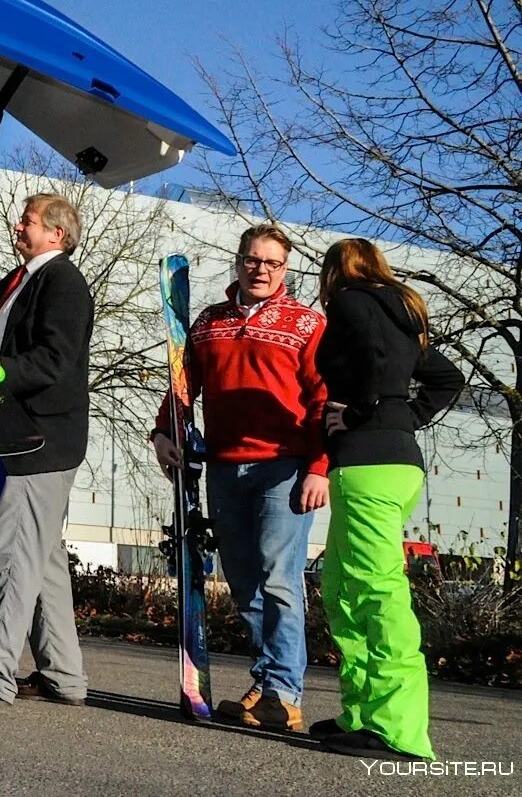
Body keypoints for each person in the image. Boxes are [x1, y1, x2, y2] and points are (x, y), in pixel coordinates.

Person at [150, 224, 329, 731]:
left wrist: (319, 468)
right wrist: (165, 432)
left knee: (279, 579)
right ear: (239, 261)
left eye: (272, 263)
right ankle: (266, 680)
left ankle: (285, 694)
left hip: (284, 466)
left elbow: (321, 401)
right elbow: (184, 383)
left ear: (286, 269)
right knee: (245, 581)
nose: (261, 270)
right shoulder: (209, 322)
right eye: (253, 260)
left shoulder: (306, 324)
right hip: (225, 466)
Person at [311, 238, 463, 761]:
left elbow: (374, 368)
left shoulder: (356, 301)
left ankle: (399, 730)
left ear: (335, 272)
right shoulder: (403, 314)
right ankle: (362, 713)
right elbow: (446, 378)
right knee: (344, 589)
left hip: (371, 464)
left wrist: (361, 413)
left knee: (377, 592)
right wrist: (404, 416)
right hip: (391, 461)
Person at [0, 193, 93, 706]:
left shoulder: (63, 281)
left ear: (56, 234)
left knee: (13, 552)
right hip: (20, 433)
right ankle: (64, 675)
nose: (18, 226)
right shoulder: (21, 279)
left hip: (43, 438)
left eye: (29, 221)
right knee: (44, 560)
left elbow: (52, 361)